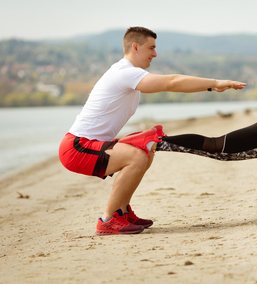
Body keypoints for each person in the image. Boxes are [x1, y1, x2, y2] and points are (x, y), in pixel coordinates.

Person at [59, 26, 246, 236]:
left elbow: (170, 83)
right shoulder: (124, 73)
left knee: (146, 149)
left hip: (88, 144)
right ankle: (108, 220)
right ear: (135, 47)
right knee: (136, 155)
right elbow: (172, 82)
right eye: (152, 48)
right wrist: (214, 84)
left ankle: (122, 212)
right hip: (77, 147)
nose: (155, 54)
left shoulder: (129, 75)